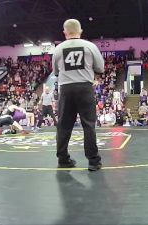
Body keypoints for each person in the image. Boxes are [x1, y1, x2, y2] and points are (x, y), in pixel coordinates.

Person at [52, 19, 104, 171]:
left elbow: (55, 72)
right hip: (84, 87)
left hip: (66, 89)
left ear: (65, 33)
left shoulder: (58, 49)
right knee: (88, 124)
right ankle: (93, 161)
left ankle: (63, 159)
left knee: (63, 126)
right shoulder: (89, 46)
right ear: (80, 31)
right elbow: (100, 68)